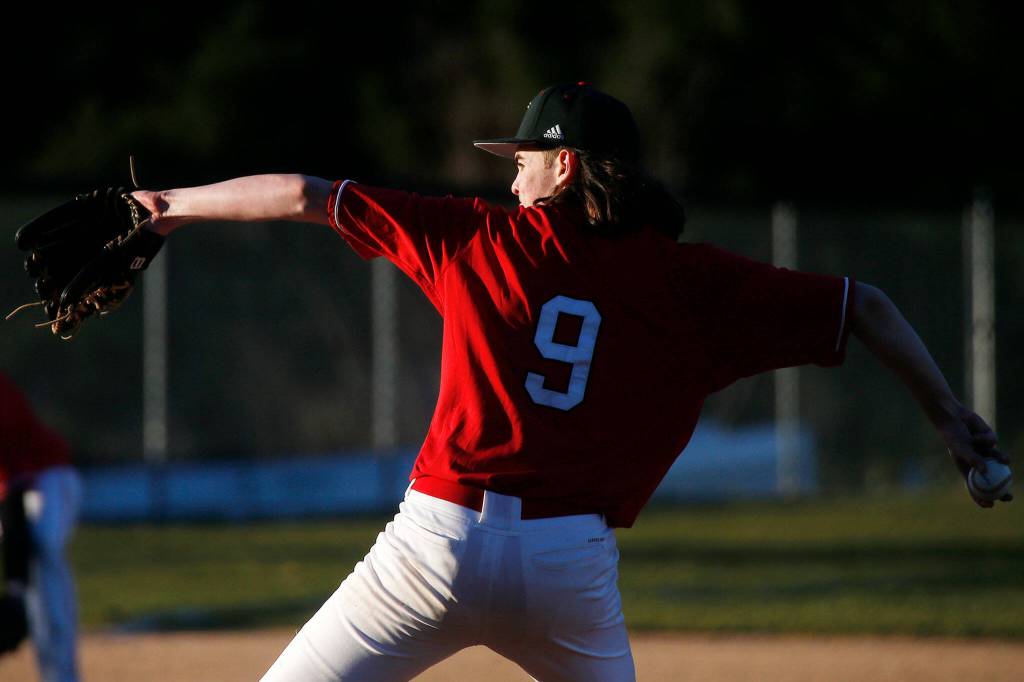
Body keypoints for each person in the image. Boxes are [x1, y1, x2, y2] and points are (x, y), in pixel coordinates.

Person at [129, 83, 1007, 682]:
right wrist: (950, 417)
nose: (510, 171)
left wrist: (168, 205)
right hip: (566, 569)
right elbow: (868, 306)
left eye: (525, 157)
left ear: (569, 166)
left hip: (436, 545)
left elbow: (302, 193)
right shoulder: (690, 283)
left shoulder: (475, 238)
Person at [0, 372, 82, 682]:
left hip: (47, 478)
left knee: (45, 564)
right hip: (17, 490)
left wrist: (15, 585)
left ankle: (62, 676)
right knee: (34, 579)